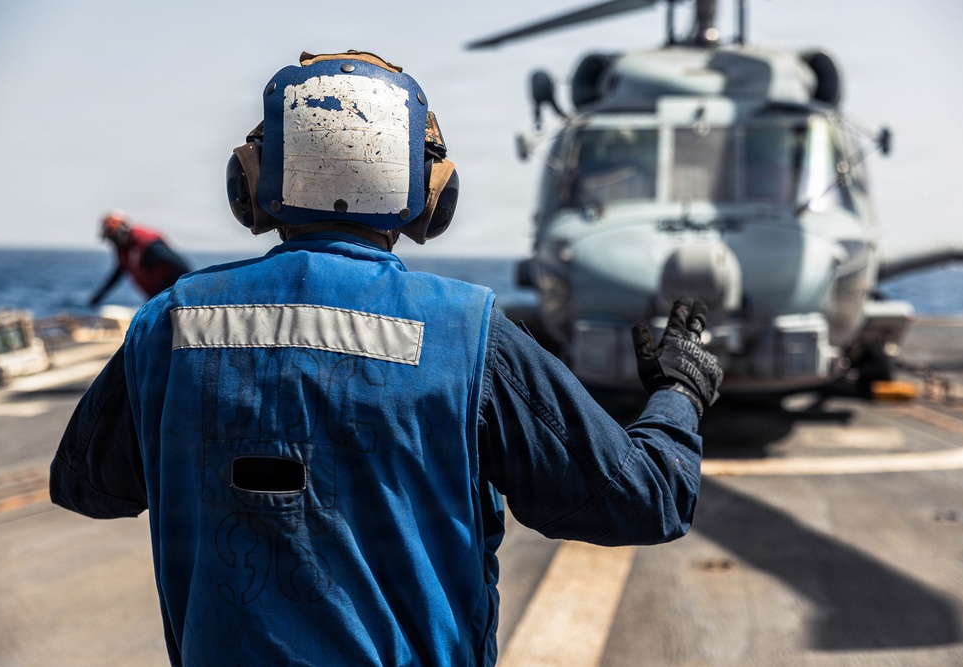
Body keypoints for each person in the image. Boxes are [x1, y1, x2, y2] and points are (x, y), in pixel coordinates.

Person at [50, 51, 723, 666]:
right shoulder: (468, 332)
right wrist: (679, 389)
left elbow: (85, 484)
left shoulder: (170, 324)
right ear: (430, 195)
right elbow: (645, 498)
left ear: (252, 183)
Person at [88, 210, 191, 306]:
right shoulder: (123, 249)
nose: (112, 242)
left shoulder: (146, 243)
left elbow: (178, 263)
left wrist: (190, 287)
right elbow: (119, 272)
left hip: (171, 293)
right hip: (156, 297)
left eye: (114, 237)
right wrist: (97, 298)